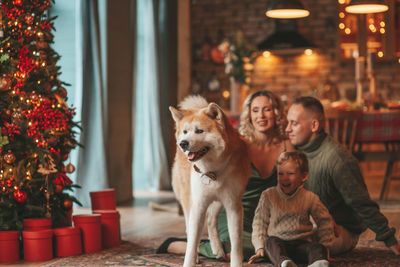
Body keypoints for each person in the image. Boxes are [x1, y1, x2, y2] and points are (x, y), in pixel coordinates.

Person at [157, 90, 293, 261]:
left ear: (277, 113)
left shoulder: (288, 146)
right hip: (237, 211)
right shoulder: (239, 144)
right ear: (249, 114)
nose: (261, 116)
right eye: (255, 110)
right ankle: (185, 246)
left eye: (267, 109)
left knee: (283, 242)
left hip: (266, 215)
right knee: (245, 246)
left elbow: (300, 181)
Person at [285, 96, 400, 256]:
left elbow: (361, 203)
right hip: (309, 222)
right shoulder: (292, 151)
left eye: (294, 123)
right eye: (287, 122)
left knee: (302, 240)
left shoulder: (337, 158)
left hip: (339, 229)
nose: (287, 129)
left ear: (314, 125)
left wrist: (389, 239)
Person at [248, 151, 334, 267]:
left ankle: (318, 262)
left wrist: (326, 246)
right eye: (280, 174)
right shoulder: (268, 195)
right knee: (270, 242)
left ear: (303, 176)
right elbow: (259, 223)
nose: (284, 178)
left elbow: (325, 222)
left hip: (302, 244)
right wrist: (259, 247)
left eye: (290, 173)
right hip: (279, 244)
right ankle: (285, 263)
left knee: (317, 247)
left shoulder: (310, 197)